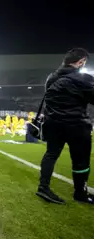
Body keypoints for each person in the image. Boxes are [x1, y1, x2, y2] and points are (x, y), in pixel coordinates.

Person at [36, 48, 94, 205]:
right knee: (81, 161)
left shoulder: (51, 78)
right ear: (81, 62)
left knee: (51, 154)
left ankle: (43, 187)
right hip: (76, 125)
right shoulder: (83, 79)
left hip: (53, 123)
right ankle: (80, 193)